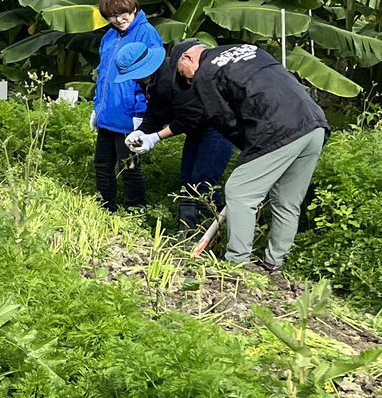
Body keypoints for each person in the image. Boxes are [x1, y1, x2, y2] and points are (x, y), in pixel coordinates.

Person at [130, 42, 328, 270]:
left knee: (239, 191)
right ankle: (273, 264)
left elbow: (225, 121)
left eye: (181, 73)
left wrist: (250, 153)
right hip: (314, 124)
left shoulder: (205, 74)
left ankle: (236, 263)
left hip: (279, 128)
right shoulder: (247, 50)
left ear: (187, 58)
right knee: (286, 202)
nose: (186, 81)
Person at [134, 40, 240, 231]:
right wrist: (141, 131)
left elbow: (189, 117)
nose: (136, 80)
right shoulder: (151, 81)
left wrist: (156, 137)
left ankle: (210, 233)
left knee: (204, 181)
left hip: (217, 126)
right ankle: (187, 232)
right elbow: (156, 112)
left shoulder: (172, 77)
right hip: (196, 129)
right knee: (187, 180)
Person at [89, 0, 165, 212]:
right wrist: (97, 108)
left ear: (134, 8)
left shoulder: (147, 34)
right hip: (108, 114)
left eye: (123, 14)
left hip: (130, 115)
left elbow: (151, 79)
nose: (119, 20)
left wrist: (140, 115)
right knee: (102, 165)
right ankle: (105, 208)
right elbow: (103, 74)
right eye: (112, 16)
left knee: (129, 167)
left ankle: (135, 213)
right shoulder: (109, 36)